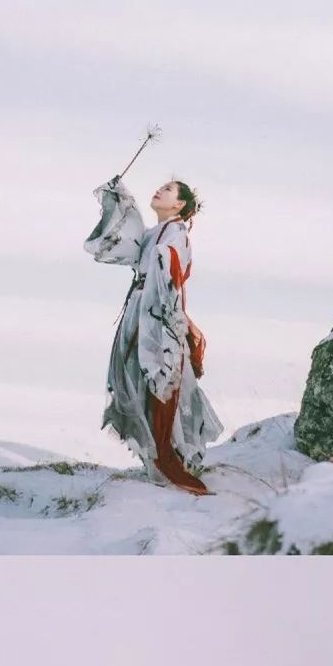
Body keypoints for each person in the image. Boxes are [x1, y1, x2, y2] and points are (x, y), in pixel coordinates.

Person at [85, 172, 222, 493]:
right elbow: (124, 245)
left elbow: (175, 266)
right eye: (161, 187)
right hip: (139, 308)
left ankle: (169, 456)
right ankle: (155, 458)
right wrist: (118, 199)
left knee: (159, 376)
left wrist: (162, 257)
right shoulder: (153, 232)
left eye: (168, 190)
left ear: (180, 204)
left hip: (156, 311)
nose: (160, 190)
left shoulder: (177, 233)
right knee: (134, 375)